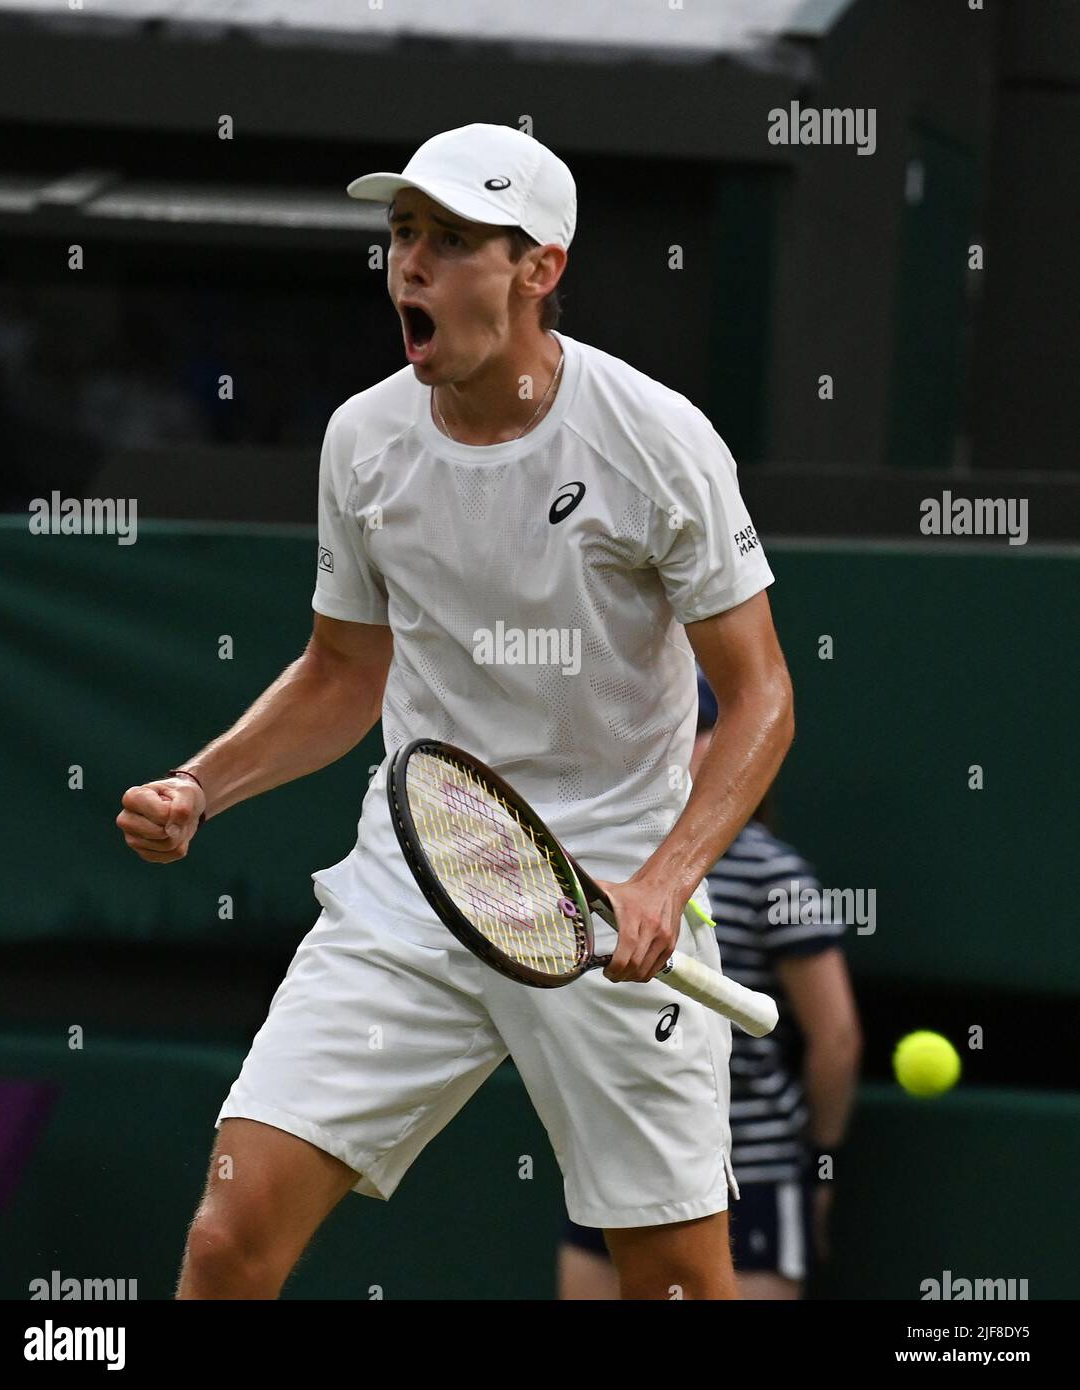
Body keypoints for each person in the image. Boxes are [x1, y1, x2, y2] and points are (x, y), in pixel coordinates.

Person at [115, 123, 793, 1301]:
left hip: (608, 889)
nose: (408, 266)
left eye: (450, 240)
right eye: (400, 235)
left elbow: (761, 698)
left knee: (676, 1283)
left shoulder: (657, 440)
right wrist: (203, 783)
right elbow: (341, 671)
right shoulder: (363, 440)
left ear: (539, 268)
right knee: (228, 1241)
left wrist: (663, 881)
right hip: (419, 868)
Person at [559, 673, 862, 1299]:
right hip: (618, 1157)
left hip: (752, 1174)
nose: (673, 751)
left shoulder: (776, 876)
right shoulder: (603, 862)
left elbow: (836, 1037)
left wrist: (818, 1164)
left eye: (696, 733)